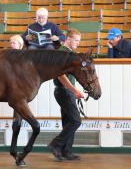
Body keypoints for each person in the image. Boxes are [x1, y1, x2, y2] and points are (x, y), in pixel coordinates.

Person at [48, 29, 84, 161]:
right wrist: (74, 90)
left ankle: (66, 151)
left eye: (79, 41)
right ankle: (56, 144)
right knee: (75, 121)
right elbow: (61, 75)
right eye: (76, 40)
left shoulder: (68, 53)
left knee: (69, 121)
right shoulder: (63, 53)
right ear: (68, 39)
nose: (78, 43)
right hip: (64, 91)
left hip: (65, 91)